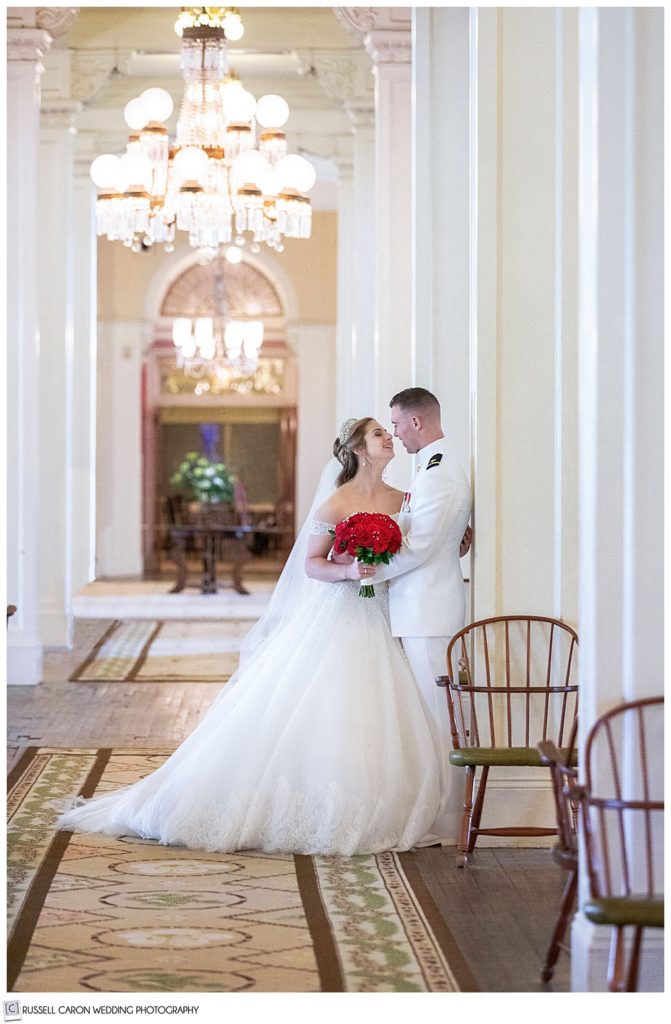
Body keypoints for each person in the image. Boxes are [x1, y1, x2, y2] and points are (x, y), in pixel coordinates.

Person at [57, 417, 443, 856]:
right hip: (344, 612)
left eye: (388, 431)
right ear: (357, 448)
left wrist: (456, 542)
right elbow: (312, 564)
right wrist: (349, 570)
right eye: (379, 433)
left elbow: (420, 542)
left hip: (388, 614)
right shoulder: (335, 504)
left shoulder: (405, 498)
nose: (388, 438)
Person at [357, 388, 472, 843]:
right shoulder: (429, 469)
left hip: (429, 612)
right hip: (419, 608)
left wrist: (371, 570)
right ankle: (435, 811)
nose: (397, 435)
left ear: (418, 423)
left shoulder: (439, 475)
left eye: (398, 425)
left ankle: (446, 819)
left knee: (437, 719)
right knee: (425, 717)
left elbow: (421, 546)